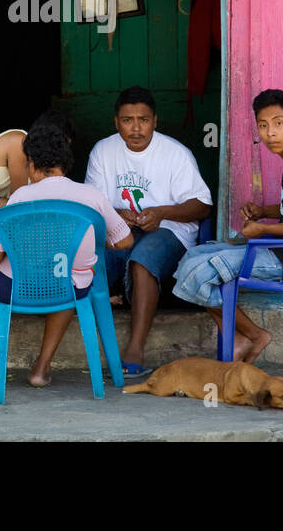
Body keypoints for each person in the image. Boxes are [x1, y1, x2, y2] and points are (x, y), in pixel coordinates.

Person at [172, 89, 283, 362]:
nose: (270, 133)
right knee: (192, 256)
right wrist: (264, 211)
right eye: (263, 126)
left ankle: (252, 335)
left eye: (278, 123)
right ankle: (241, 336)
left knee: (196, 272)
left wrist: (262, 228)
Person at [0, 121, 133, 386]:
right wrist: (96, 242)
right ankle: (41, 367)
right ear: (66, 163)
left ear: (32, 164)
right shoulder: (91, 195)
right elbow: (125, 240)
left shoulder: (20, 197)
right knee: (73, 276)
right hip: (67, 288)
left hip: (15, 288)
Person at [86, 86, 212, 378]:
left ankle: (135, 348)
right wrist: (118, 215)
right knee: (86, 256)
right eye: (128, 120)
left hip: (170, 230)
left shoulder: (175, 153)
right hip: (119, 229)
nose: (136, 128)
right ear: (116, 122)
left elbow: (202, 205)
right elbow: (93, 204)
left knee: (142, 262)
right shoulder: (103, 151)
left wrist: (162, 213)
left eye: (143, 119)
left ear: (155, 120)